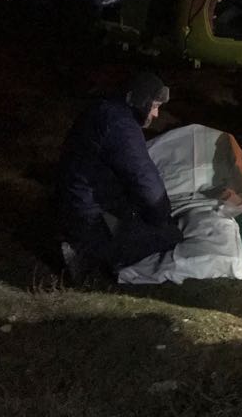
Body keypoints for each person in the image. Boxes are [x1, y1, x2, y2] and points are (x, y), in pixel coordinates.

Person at [56, 71, 181, 281]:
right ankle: (85, 252)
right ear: (141, 102)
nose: (157, 114)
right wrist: (162, 217)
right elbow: (144, 179)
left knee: (135, 215)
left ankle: (84, 239)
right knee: (170, 237)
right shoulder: (121, 127)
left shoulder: (105, 109)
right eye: (155, 106)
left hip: (76, 195)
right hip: (86, 210)